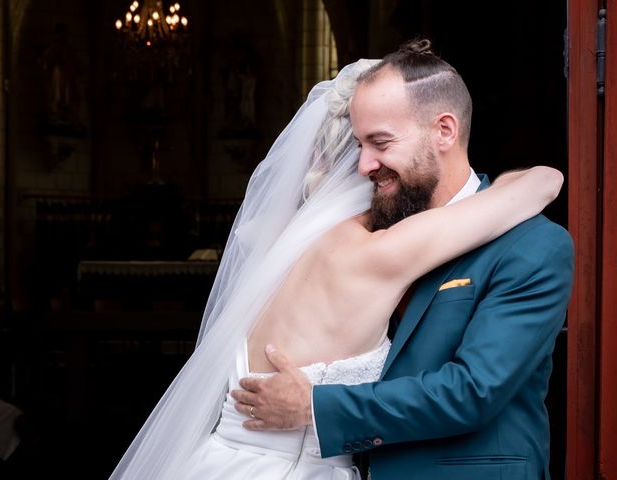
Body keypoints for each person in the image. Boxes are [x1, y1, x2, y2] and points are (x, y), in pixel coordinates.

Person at [109, 42, 568, 480]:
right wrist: (537, 175)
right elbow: (542, 182)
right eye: (358, 147)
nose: (367, 165)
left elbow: (474, 390)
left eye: (381, 143)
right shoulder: (365, 244)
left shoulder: (530, 245)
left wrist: (315, 406)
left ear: (445, 130)